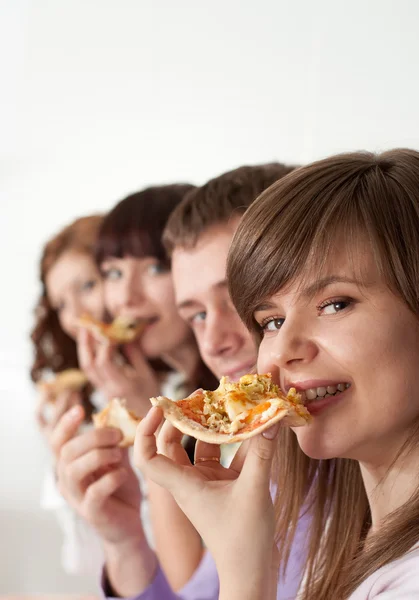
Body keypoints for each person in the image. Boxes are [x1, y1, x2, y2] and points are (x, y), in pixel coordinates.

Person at [135, 149, 419, 599]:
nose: (281, 351)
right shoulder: (349, 554)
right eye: (271, 321)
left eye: (334, 304)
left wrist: (243, 572)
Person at [96, 162, 302, 599]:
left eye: (237, 300)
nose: (214, 342)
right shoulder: (259, 459)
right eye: (197, 315)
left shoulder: (330, 455)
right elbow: (196, 591)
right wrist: (126, 543)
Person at [52, 185, 217, 589]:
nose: (125, 297)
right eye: (113, 273)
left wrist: (150, 419)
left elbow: (191, 586)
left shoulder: (224, 403)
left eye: (155, 268)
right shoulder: (168, 384)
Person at [30, 214, 107, 574]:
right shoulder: (84, 401)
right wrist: (59, 456)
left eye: (87, 286)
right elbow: (82, 562)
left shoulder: (184, 386)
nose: (75, 315)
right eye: (60, 304)